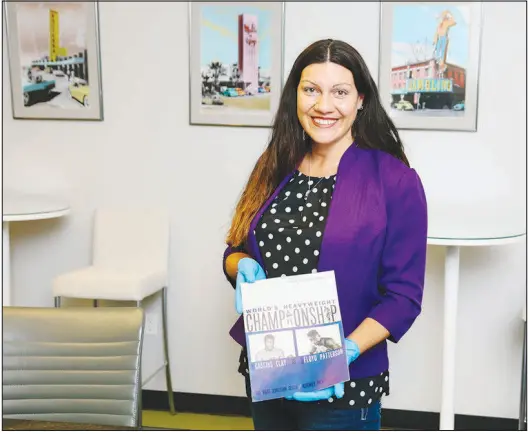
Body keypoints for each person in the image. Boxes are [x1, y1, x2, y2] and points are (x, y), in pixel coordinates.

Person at [222, 39, 428, 431]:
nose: (323, 105)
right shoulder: (275, 163)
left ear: (361, 99)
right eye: (311, 89)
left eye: (340, 92)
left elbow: (403, 296)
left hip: (345, 386)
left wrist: (344, 352)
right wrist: (240, 264)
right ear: (295, 95)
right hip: (269, 375)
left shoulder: (395, 181)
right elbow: (236, 245)